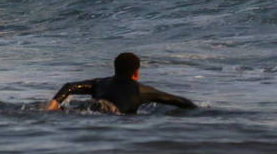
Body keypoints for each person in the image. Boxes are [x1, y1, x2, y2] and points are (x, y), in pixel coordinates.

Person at [47, 52, 196, 114]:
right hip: (113, 116)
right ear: (136, 72)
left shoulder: (99, 83)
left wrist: (55, 103)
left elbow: (69, 87)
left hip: (93, 108)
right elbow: (180, 101)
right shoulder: (142, 91)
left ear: (115, 68)